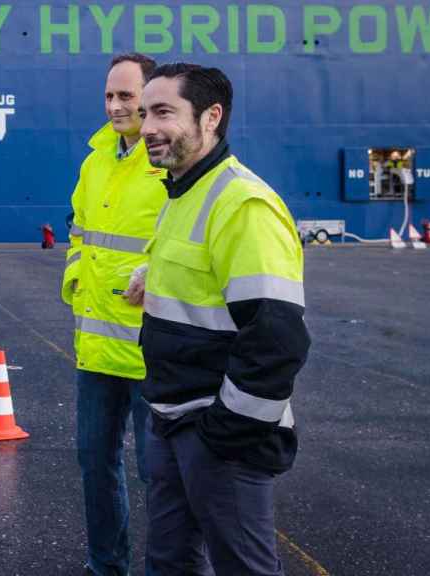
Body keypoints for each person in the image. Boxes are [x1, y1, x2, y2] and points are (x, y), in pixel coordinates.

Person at [137, 64, 310, 575]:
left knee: (243, 568)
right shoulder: (182, 192)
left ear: (211, 117)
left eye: (163, 112)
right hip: (170, 418)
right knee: (170, 562)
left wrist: (223, 435)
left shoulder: (243, 204)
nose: (146, 126)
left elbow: (276, 338)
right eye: (146, 113)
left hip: (217, 433)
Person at [61, 53, 167, 576]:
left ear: (149, 98)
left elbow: (187, 234)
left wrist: (155, 272)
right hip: (97, 347)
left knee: (159, 474)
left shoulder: (168, 159)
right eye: (110, 96)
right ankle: (105, 566)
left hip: (151, 352)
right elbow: (79, 229)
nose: (116, 106)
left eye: (126, 96)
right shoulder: (94, 161)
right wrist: (75, 275)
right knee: (94, 467)